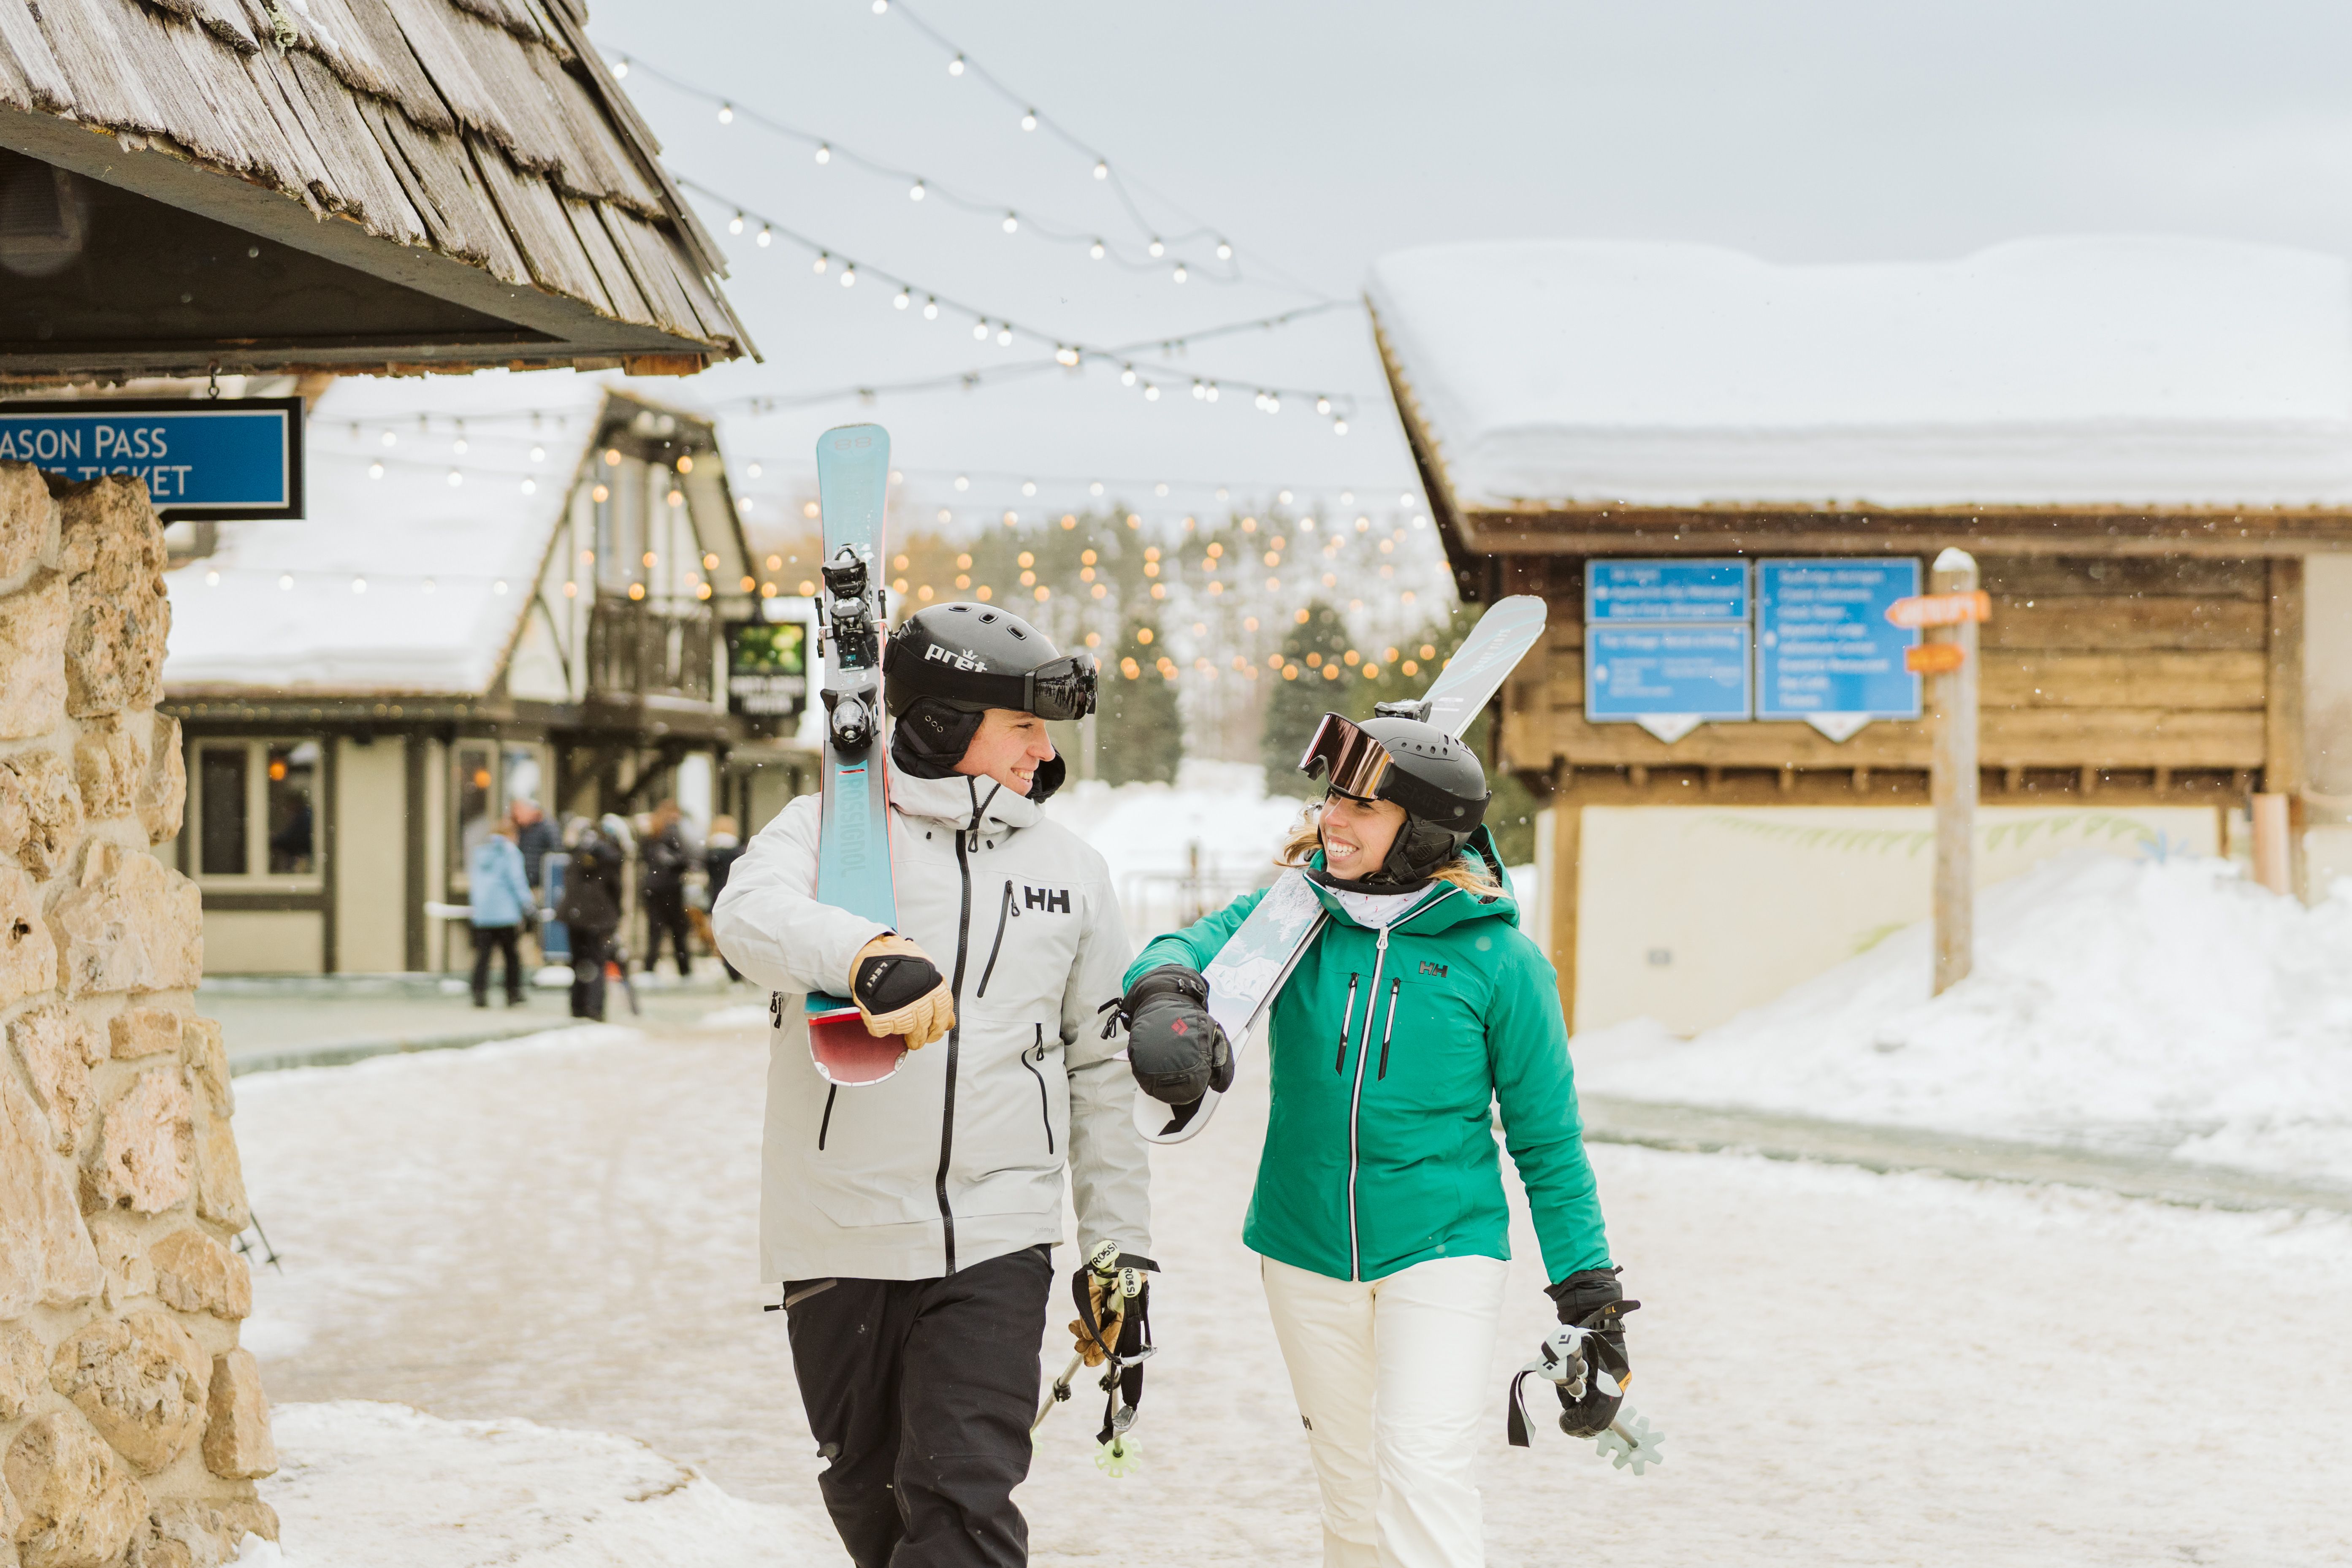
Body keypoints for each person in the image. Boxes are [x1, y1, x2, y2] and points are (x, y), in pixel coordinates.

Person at [1113, 712, 1630, 1568]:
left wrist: (1589, 1296)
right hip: (1301, 1244)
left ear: (1421, 832)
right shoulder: (1291, 919)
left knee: (1422, 1474)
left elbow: (1546, 1143)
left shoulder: (1499, 962)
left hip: (1442, 1245)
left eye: (1362, 807)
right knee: (1351, 1501)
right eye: (1330, 799)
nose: (1332, 821)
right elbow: (1180, 947)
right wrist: (1165, 994)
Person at [713, 603, 1151, 1568]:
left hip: (998, 1238)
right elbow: (746, 918)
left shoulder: (1073, 871)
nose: (1045, 750)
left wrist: (1118, 1250)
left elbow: (1101, 1066)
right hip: (841, 1233)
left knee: (964, 1501)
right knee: (875, 1509)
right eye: (1024, 725)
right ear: (945, 725)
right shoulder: (827, 832)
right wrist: (861, 952)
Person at [554, 815, 627, 1021]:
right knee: (596, 963)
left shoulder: (576, 853)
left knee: (579, 963)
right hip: (599, 916)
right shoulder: (610, 858)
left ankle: (578, 1007)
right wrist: (616, 914)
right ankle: (594, 1009)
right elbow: (615, 889)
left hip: (574, 915)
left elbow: (570, 883)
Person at [466, 816, 536, 1008]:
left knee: (484, 956)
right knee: (511, 956)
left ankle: (478, 993)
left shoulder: (481, 852)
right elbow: (517, 881)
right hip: (505, 913)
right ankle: (513, 993)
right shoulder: (510, 852)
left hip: (483, 914)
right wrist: (528, 904)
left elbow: (476, 884)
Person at [640, 799, 694, 979]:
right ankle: (684, 969)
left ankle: (649, 968)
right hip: (671, 887)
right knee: (678, 930)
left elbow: (646, 856)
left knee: (655, 930)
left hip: (653, 887)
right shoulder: (673, 830)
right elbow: (684, 858)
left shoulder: (652, 832)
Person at [700, 814, 744, 983]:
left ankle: (730, 970)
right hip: (737, 896)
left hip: (717, 897)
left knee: (724, 936)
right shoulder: (739, 851)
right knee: (740, 935)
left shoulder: (710, 853)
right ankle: (740, 972)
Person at [512, 798, 560, 892]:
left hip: (540, 885)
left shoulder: (547, 827)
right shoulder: (522, 830)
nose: (517, 816)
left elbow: (557, 851)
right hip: (527, 883)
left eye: (520, 811)